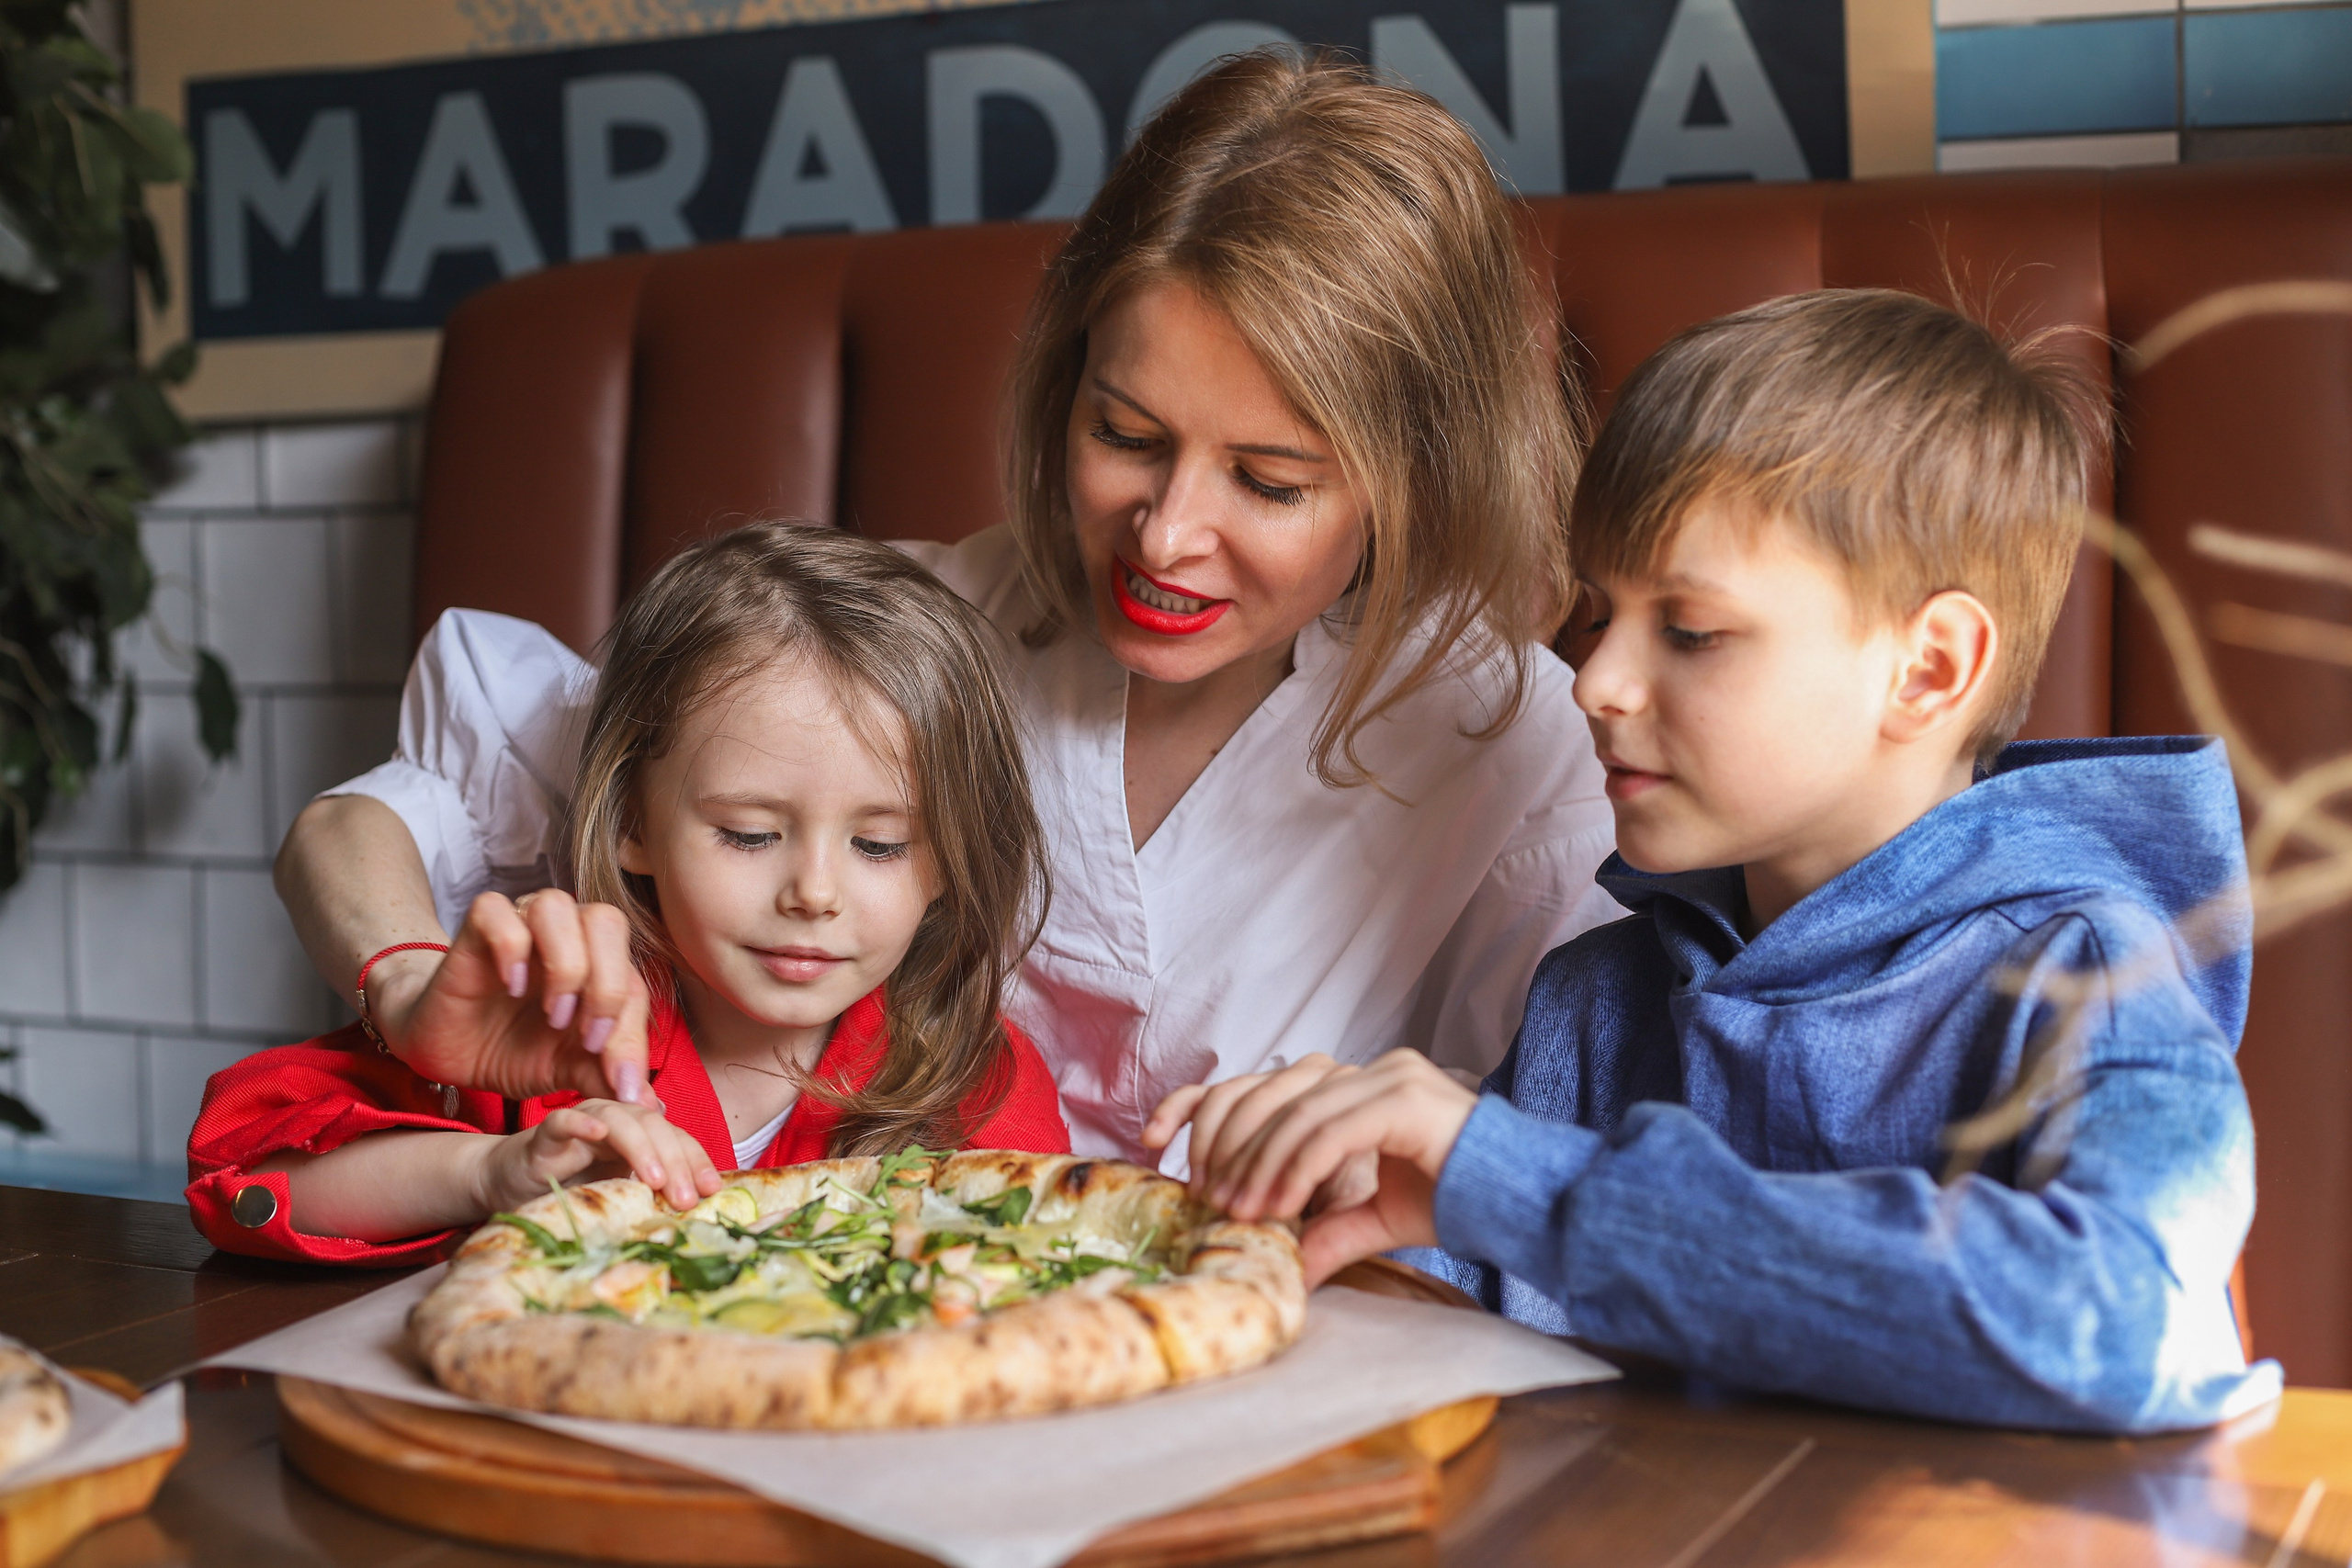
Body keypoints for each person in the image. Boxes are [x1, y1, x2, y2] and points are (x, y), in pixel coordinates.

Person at [269, 51, 1620, 1171]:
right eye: (1125, 432)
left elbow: (1557, 1172)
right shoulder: (912, 631)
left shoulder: (1514, 748)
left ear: (1415, 480)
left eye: (1268, 480)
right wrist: (402, 985)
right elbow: (383, 811)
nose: (1165, 535)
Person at [1148, 289, 2285, 1432]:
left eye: (1688, 630)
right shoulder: (1597, 1002)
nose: (1595, 683)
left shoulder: (2092, 978)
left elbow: (2121, 1318)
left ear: (1929, 669)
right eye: (1597, 615)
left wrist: (1522, 1184)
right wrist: (1338, 1207)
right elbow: (1491, 1316)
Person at [188, 525, 1067, 1263]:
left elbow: (1047, 1273)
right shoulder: (556, 1030)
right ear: (631, 822)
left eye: (880, 844)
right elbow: (245, 1181)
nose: (814, 892)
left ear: (950, 854)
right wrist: (492, 1173)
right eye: (750, 834)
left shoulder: (979, 1083)